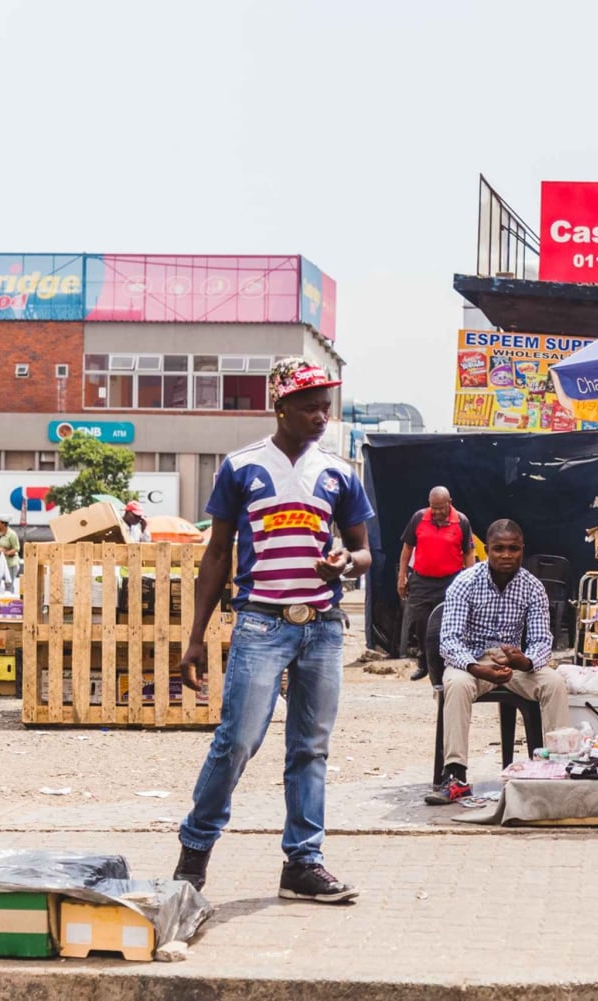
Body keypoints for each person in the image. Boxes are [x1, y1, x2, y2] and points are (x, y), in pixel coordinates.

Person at [174, 357, 373, 905]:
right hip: (260, 623)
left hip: (322, 627)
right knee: (237, 740)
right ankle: (194, 851)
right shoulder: (240, 467)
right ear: (280, 406)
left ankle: (303, 863)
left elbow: (364, 551)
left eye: (326, 407)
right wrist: (196, 636)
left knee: (310, 748)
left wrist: (345, 562)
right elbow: (217, 552)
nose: (321, 416)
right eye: (310, 407)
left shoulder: (338, 472)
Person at [430, 519, 567, 806]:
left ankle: (559, 767)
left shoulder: (532, 587)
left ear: (522, 550)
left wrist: (525, 661)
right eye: (499, 548)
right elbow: (450, 640)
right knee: (456, 684)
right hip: (472, 662)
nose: (506, 555)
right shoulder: (465, 583)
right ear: (487, 550)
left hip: (513, 665)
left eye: (513, 548)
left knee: (554, 683)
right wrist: (477, 668)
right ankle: (455, 776)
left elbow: (542, 640)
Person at [397, 486, 475, 682]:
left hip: (450, 582)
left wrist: (470, 581)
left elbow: (468, 553)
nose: (437, 511)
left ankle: (444, 665)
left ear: (450, 503)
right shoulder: (419, 518)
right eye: (434, 507)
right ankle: (424, 662)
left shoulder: (462, 521)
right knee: (421, 624)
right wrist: (402, 576)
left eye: (441, 507)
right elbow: (407, 548)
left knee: (445, 626)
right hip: (421, 581)